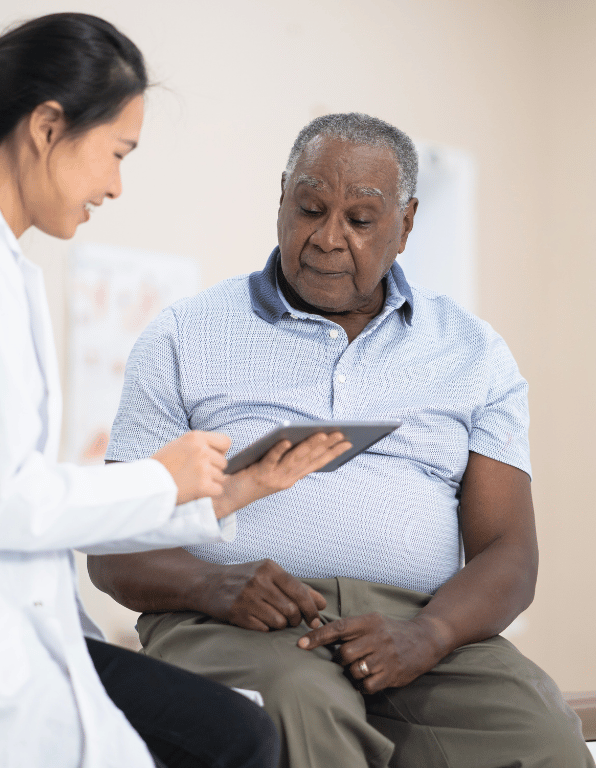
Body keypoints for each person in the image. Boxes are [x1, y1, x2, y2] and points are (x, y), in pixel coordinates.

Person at [0, 14, 354, 768]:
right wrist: (163, 478)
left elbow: (5, 496)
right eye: (116, 153)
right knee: (233, 737)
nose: (115, 185)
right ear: (47, 127)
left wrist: (229, 491)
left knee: (232, 731)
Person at [88, 113, 596, 768]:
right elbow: (116, 547)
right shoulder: (184, 335)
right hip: (231, 619)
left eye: (359, 220)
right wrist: (214, 586)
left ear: (406, 224)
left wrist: (429, 634)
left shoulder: (474, 353)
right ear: (281, 199)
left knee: (541, 737)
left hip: (418, 625)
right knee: (302, 704)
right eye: (309, 209)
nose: (328, 238)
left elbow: (509, 552)